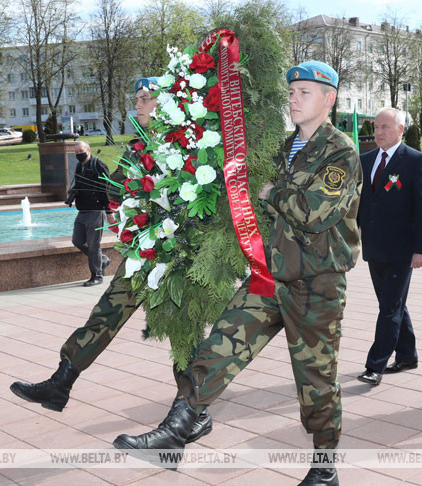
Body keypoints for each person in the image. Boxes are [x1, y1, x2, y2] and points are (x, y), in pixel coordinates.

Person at [112, 61, 361, 486]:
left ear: (329, 99)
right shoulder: (286, 148)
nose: (294, 98)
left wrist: (271, 192)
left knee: (316, 381)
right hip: (270, 275)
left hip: (316, 284)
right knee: (217, 349)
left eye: (304, 92)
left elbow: (314, 212)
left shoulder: (340, 152)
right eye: (292, 91)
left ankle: (324, 467)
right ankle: (174, 434)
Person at [8, 77, 216, 444]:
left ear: (164, 103)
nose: (136, 105)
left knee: (184, 332)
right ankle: (62, 381)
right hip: (144, 253)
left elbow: (202, 196)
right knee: (107, 311)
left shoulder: (189, 143)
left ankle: (194, 412)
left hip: (180, 256)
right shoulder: (137, 147)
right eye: (135, 98)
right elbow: (118, 187)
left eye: (144, 99)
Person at [356, 107, 422, 387]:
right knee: (391, 303)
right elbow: (361, 201)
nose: (378, 132)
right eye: (376, 127)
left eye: (385, 127)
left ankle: (375, 364)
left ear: (401, 129)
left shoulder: (416, 161)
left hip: (402, 250)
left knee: (389, 307)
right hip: (374, 248)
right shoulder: (365, 160)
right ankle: (407, 355)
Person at [66, 140, 112, 286]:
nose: (79, 154)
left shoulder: (98, 165)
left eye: (82, 151)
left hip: (96, 210)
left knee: (93, 245)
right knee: (77, 241)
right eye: (77, 153)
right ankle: (102, 260)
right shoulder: (80, 166)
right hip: (82, 211)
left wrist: (108, 211)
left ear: (89, 150)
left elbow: (106, 189)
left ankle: (97, 276)